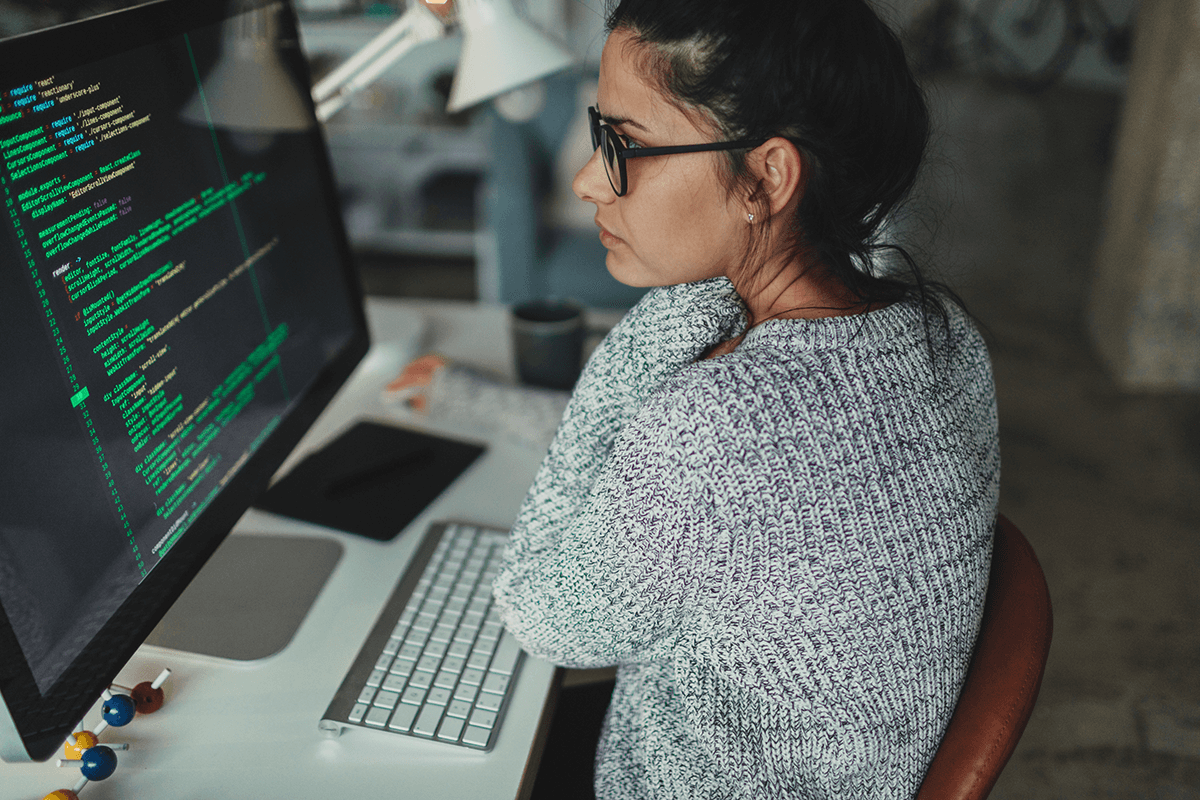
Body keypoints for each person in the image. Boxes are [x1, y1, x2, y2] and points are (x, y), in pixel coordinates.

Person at [392, 0, 1000, 796]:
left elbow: (539, 612)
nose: (585, 180)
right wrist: (471, 399)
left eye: (626, 144)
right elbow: (678, 482)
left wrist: (666, 308)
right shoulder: (940, 331)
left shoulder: (721, 415)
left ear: (769, 175)